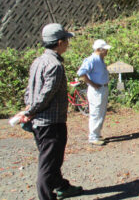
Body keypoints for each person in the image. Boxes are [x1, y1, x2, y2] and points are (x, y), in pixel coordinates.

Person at [20, 23, 83, 200]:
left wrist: (29, 107)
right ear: (60, 42)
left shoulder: (38, 61)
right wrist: (31, 110)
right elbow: (46, 94)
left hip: (39, 123)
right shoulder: (54, 65)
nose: (68, 44)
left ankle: (61, 186)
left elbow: (30, 89)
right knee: (48, 164)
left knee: (52, 160)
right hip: (51, 123)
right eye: (66, 40)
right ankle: (46, 196)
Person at [77, 39, 111, 146]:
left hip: (102, 88)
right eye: (105, 49)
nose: (107, 51)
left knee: (101, 112)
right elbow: (81, 73)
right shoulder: (92, 59)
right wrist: (92, 84)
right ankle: (93, 137)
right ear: (99, 49)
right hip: (96, 89)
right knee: (96, 112)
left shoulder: (100, 59)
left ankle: (97, 134)